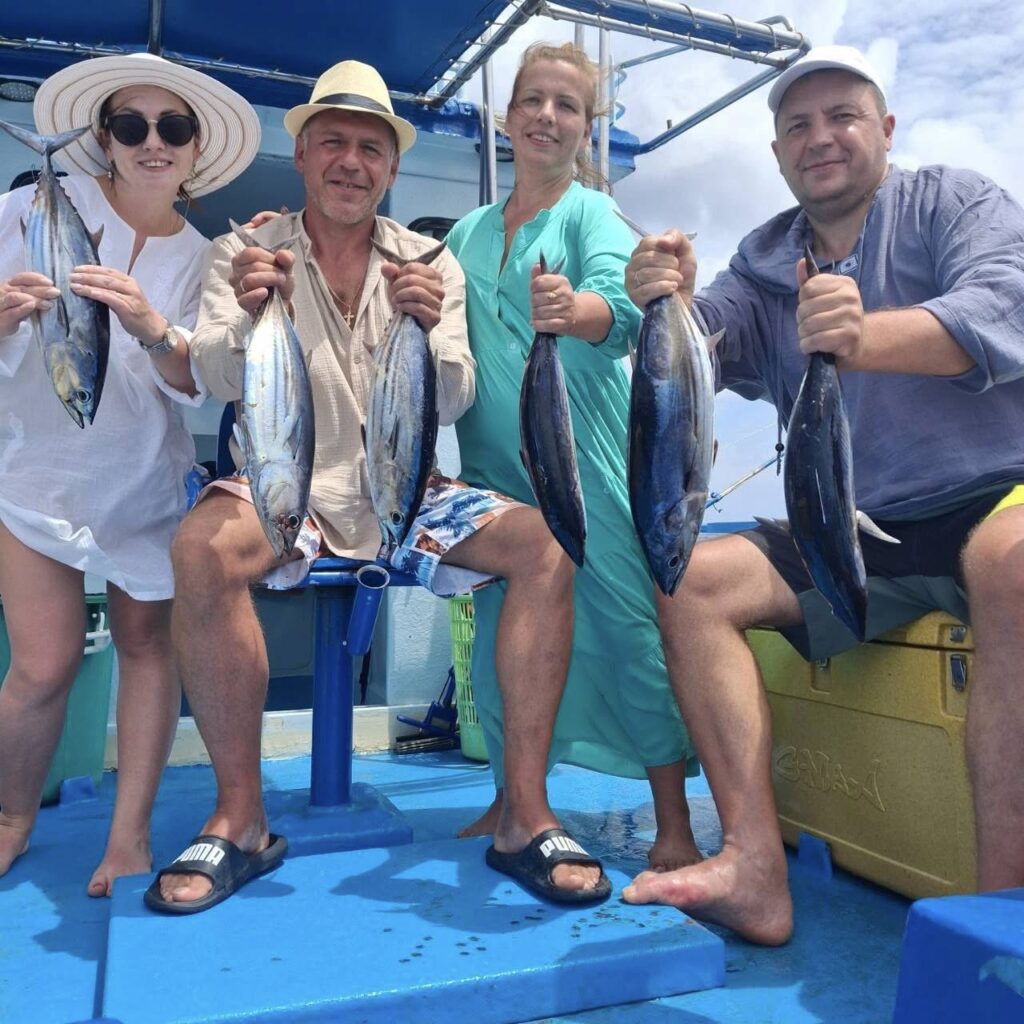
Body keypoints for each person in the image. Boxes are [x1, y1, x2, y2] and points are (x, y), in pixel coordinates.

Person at [150, 59, 613, 914]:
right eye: (333, 142)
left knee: (547, 547)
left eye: (370, 148)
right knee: (199, 552)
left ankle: (525, 813)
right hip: (284, 480)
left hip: (408, 488)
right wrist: (250, 312)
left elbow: (459, 391)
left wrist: (429, 326)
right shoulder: (243, 251)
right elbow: (211, 375)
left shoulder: (430, 261)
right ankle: (240, 816)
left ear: (392, 168)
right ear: (302, 155)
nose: (351, 162)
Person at [620, 44, 1024, 945]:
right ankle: (754, 866)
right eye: (798, 125)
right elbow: (711, 339)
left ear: (886, 129)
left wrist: (865, 336)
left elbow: (1009, 302)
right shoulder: (766, 260)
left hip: (999, 495)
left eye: (843, 116)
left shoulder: (954, 203)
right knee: (687, 579)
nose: (821, 137)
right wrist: (666, 297)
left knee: (1018, 562)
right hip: (852, 520)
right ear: (777, 154)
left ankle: (1002, 915)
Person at [0, 53, 260, 895]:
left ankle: (129, 838)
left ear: (194, 151)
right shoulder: (26, 211)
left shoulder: (207, 259)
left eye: (173, 128)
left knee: (148, 650)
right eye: (132, 125)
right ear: (104, 139)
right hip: (33, 477)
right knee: (42, 666)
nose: (154, 142)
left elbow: (197, 381)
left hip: (143, 483)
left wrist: (153, 326)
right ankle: (9, 820)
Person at [446, 42, 701, 872]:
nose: (546, 117)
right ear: (507, 116)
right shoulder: (466, 232)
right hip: (494, 476)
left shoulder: (590, 211)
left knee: (630, 634)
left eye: (566, 106)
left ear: (585, 130)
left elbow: (624, 316)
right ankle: (511, 796)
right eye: (533, 100)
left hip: (587, 464)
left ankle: (673, 822)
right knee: (500, 647)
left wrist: (576, 309)